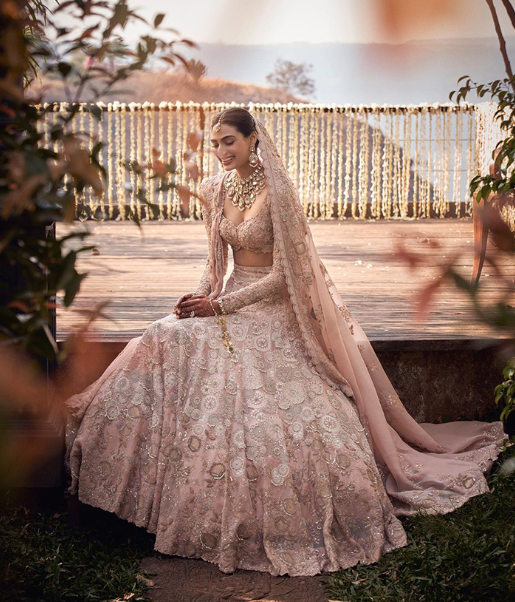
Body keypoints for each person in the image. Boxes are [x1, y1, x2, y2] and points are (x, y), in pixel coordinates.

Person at [65, 107, 506, 577]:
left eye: (229, 141)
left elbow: (284, 277)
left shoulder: (279, 194)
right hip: (229, 300)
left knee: (251, 382)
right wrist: (201, 298)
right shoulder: (214, 189)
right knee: (161, 336)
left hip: (274, 310)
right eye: (214, 144)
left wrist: (222, 308)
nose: (220, 152)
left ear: (254, 139)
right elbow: (215, 267)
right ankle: (121, 485)